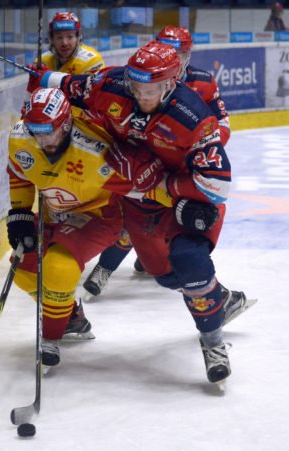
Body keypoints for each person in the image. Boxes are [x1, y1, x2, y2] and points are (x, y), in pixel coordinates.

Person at [26, 41, 255, 387]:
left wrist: (163, 184)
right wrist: (40, 78)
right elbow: (69, 85)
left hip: (185, 200)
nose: (139, 96)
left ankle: (213, 344)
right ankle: (218, 298)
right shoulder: (114, 85)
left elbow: (218, 185)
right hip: (139, 204)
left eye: (148, 90)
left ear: (169, 84)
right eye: (135, 87)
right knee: (164, 275)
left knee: (188, 259)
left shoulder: (193, 118)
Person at [82, 26, 232, 301]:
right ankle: (109, 266)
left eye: (179, 52)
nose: (173, 56)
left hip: (177, 167)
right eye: (167, 51)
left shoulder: (203, 83)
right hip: (140, 161)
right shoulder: (139, 83)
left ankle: (206, 290)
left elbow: (222, 128)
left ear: (186, 55)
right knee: (129, 214)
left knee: (165, 223)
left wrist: (188, 143)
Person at [6, 87, 141, 368]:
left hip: (97, 216)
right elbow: (20, 173)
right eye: (36, 131)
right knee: (22, 269)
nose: (42, 139)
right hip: (53, 213)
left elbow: (140, 187)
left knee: (58, 268)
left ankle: (51, 337)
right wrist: (19, 212)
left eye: (49, 131)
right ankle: (70, 318)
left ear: (66, 124)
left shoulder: (96, 151)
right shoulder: (22, 138)